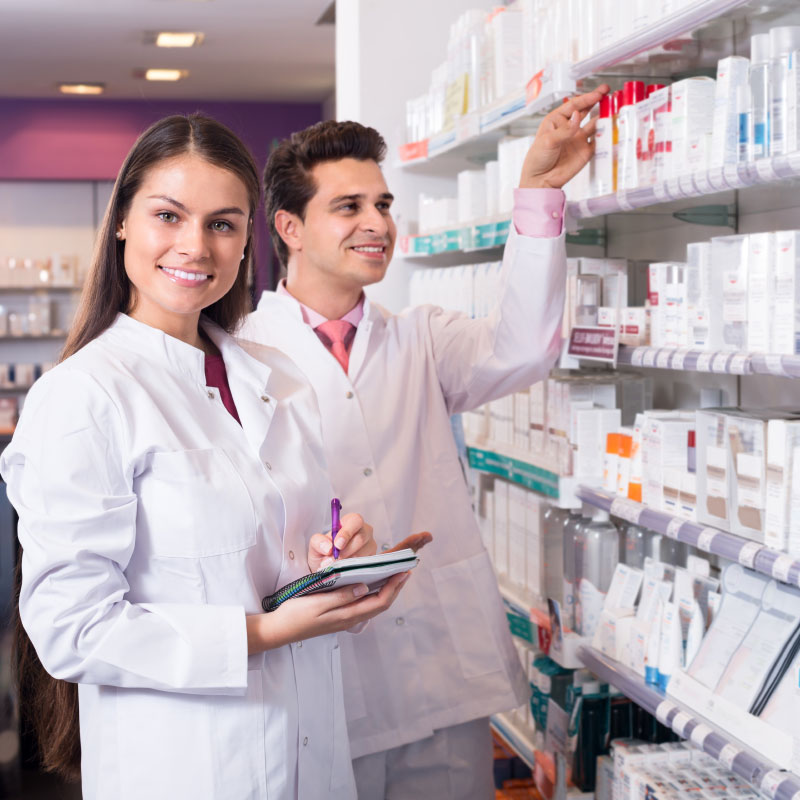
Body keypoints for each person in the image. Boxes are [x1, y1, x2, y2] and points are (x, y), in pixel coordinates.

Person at [0, 113, 411, 800]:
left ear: (249, 237)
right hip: (186, 766)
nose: (196, 246)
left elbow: (269, 551)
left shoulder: (275, 376)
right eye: (169, 215)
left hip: (313, 751)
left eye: (222, 223)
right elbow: (72, 629)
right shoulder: (82, 397)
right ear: (123, 221)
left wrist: (331, 559)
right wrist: (263, 633)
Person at [238, 85, 610, 799]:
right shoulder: (244, 355)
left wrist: (534, 192)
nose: (376, 223)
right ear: (289, 226)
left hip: (440, 676)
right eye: (348, 208)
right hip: (325, 683)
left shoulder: (421, 338)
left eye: (382, 205)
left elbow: (525, 347)